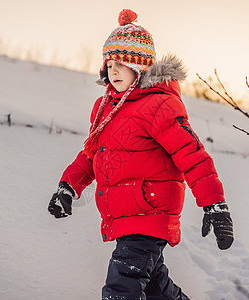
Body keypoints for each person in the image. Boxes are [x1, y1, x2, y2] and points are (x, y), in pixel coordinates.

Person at [48, 9, 234, 300]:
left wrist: (215, 204)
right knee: (157, 288)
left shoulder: (159, 105)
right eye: (110, 63)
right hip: (127, 216)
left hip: (150, 212)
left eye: (122, 63)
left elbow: (192, 155)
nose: (114, 70)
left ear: (139, 66)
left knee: (121, 288)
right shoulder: (105, 108)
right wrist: (68, 186)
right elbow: (92, 154)